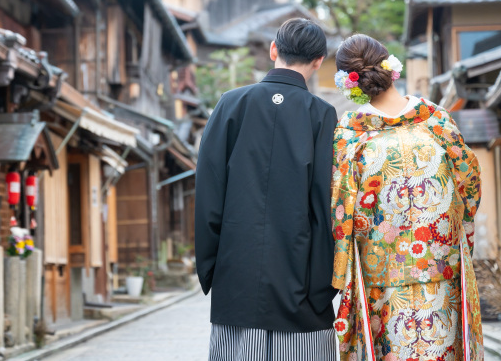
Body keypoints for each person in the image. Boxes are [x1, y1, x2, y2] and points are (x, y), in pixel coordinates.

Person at [330, 34, 483, 361]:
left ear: (349, 82)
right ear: (390, 66)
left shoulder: (351, 134)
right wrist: (457, 231)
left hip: (380, 277)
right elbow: (469, 184)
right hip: (441, 269)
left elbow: (341, 209)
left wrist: (343, 266)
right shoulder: (436, 121)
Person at [195, 18, 339, 361]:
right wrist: (323, 285)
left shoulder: (230, 104)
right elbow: (327, 204)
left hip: (237, 275)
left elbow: (208, 194)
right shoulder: (322, 115)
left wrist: (212, 269)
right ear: (319, 60)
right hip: (301, 281)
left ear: (274, 50)